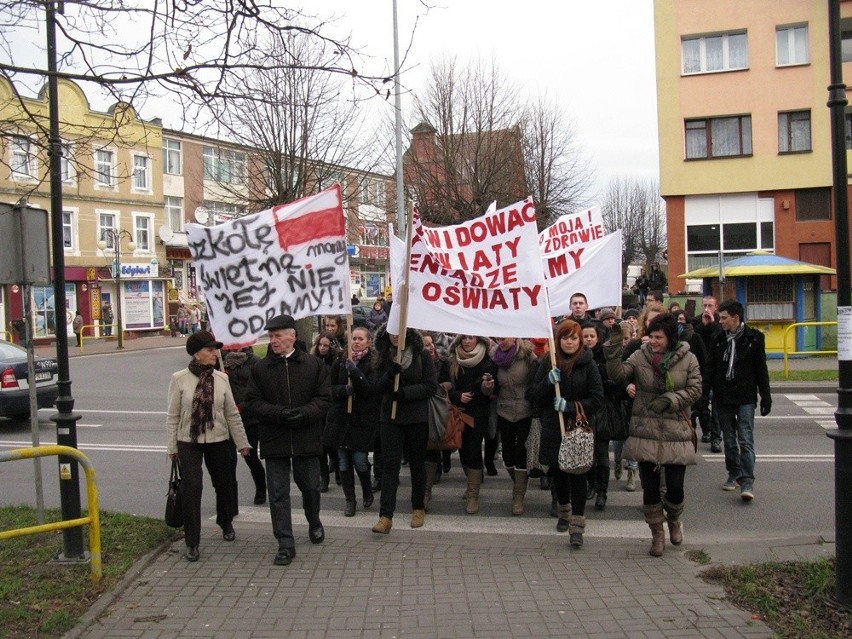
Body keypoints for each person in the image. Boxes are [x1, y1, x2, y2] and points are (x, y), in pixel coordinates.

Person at [606, 313, 702, 557]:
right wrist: (615, 346)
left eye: (658, 337)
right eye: (651, 336)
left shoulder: (688, 359)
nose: (654, 341)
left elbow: (695, 390)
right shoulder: (640, 355)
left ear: (670, 338)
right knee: (649, 489)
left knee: (675, 487)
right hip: (645, 430)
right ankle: (657, 534)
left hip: (675, 431)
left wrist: (671, 400)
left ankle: (674, 520)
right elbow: (618, 374)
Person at [244, 314, 332, 566]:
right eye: (271, 336)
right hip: (275, 440)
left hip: (306, 438)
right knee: (278, 494)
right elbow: (252, 402)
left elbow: (324, 399)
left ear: (293, 336)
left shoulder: (313, 365)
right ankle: (285, 543)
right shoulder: (260, 369)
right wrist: (278, 414)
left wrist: (304, 414)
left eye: (278, 336)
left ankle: (313, 520)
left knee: (311, 487)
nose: (274, 341)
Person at [167, 330, 251, 562]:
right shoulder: (179, 379)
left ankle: (225, 522)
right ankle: (192, 541)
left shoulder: (221, 378)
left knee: (224, 484)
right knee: (192, 489)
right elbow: (173, 416)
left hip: (219, 439)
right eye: (210, 349)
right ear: (196, 354)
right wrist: (172, 447)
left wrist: (242, 442)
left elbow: (232, 414)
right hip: (189, 441)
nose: (215, 353)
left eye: (216, 349)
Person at [528, 319, 603, 548]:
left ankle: (577, 526)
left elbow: (597, 398)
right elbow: (533, 397)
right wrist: (548, 383)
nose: (569, 342)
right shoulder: (549, 363)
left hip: (577, 429)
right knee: (558, 472)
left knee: (578, 474)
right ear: (558, 340)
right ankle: (564, 511)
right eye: (565, 338)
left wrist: (570, 406)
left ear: (580, 340)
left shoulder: (589, 365)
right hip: (554, 427)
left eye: (573, 338)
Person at [370, 324, 438, 534]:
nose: (394, 336)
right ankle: (385, 516)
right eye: (391, 332)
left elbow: (430, 386)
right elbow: (375, 388)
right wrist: (389, 375)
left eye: (398, 331)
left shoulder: (421, 355)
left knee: (417, 464)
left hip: (416, 418)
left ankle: (418, 507)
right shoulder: (381, 355)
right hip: (390, 418)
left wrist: (406, 393)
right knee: (390, 466)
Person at [705, 299, 771, 502]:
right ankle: (733, 472)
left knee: (745, 438)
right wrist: (703, 395)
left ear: (736, 318)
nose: (721, 321)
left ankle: (747, 480)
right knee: (730, 440)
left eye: (724, 318)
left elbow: (761, 369)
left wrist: (765, 397)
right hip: (723, 396)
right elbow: (710, 368)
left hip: (745, 396)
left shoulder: (754, 339)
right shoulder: (717, 339)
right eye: (720, 317)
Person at [323, 326, 380, 517]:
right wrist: (342, 391)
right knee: (343, 462)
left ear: (369, 342)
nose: (356, 342)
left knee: (360, 460)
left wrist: (355, 372)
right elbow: (329, 388)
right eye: (353, 338)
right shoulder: (340, 361)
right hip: (341, 419)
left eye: (360, 339)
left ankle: (366, 489)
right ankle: (350, 500)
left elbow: (370, 390)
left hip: (361, 419)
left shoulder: (373, 362)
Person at [446, 334, 499, 514]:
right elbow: (445, 384)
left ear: (479, 341)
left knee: (473, 450)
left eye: (471, 338)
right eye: (464, 339)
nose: (467, 342)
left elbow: (492, 390)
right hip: (459, 412)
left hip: (479, 412)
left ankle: (473, 496)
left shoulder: (487, 361)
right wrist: (457, 396)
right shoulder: (453, 359)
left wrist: (488, 386)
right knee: (462, 452)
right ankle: (471, 484)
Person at [487, 337, 537, 515]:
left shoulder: (527, 356)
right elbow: (490, 390)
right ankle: (519, 483)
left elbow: (537, 378)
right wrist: (488, 386)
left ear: (514, 337)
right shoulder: (495, 358)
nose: (501, 342)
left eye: (504, 338)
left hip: (525, 410)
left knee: (521, 452)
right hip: (504, 410)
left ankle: (519, 495)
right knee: (508, 455)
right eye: (498, 338)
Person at [223, 346, 267, 505]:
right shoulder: (221, 361)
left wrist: (243, 406)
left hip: (249, 417)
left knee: (250, 455)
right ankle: (231, 502)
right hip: (227, 417)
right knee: (228, 461)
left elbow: (259, 391)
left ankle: (261, 489)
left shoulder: (254, 362)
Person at [311, 331, 342, 492]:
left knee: (330, 443)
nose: (323, 348)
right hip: (317, 407)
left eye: (326, 346)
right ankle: (324, 477)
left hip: (331, 406)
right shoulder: (312, 361)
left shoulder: (336, 362)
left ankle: (337, 468)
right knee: (320, 445)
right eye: (320, 345)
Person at [691, 296, 723, 452]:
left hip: (716, 370)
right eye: (704, 305)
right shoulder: (697, 321)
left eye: (710, 305)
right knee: (701, 403)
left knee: (717, 406)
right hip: (701, 369)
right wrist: (704, 325)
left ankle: (716, 438)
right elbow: (693, 337)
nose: (707, 308)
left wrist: (713, 324)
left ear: (715, 307)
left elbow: (722, 336)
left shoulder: (720, 322)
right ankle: (707, 431)